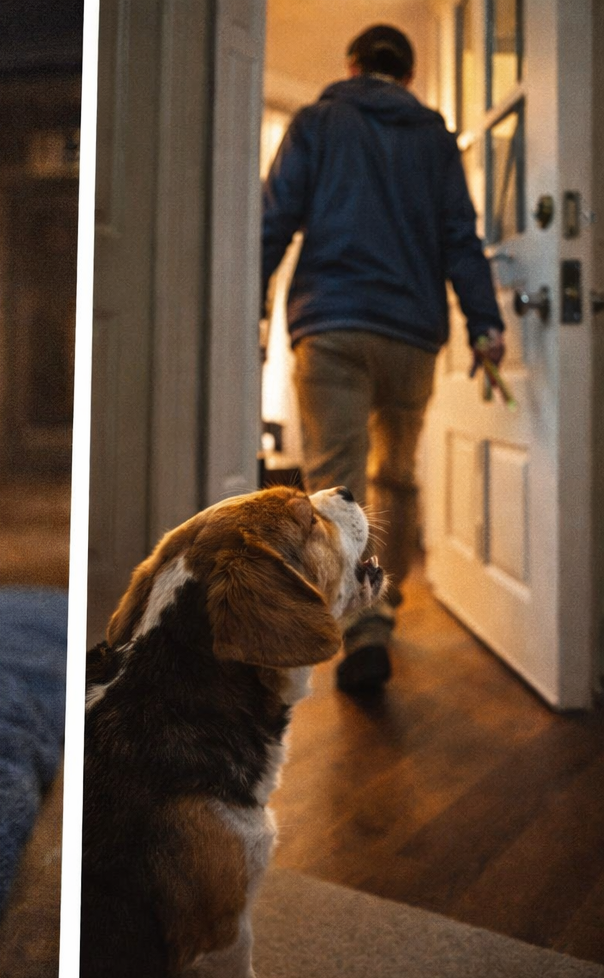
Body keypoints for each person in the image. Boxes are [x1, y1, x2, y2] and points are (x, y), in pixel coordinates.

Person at [261, 24, 505, 691]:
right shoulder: (435, 140)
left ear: (353, 64)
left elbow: (273, 220)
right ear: (408, 75)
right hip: (411, 335)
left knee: (337, 484)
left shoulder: (318, 121)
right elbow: (462, 239)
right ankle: (383, 603)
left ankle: (359, 627)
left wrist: (250, 308)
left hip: (332, 326)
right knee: (395, 476)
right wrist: (485, 324)